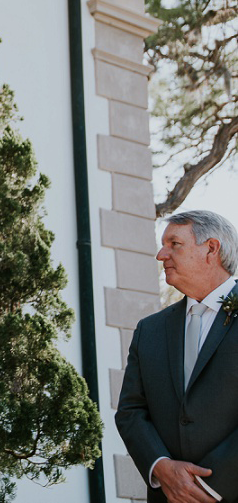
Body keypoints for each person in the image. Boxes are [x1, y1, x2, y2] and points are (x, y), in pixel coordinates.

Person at [116, 210, 238, 503]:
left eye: (174, 244)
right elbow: (131, 412)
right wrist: (161, 468)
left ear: (211, 249)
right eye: (163, 244)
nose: (161, 254)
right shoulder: (150, 330)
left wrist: (208, 487)